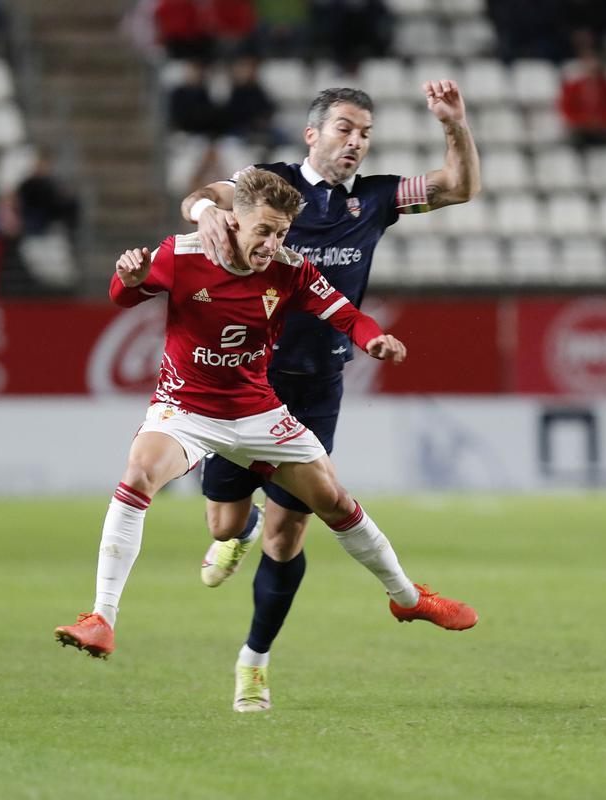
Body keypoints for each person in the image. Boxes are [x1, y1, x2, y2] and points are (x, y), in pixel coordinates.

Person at [54, 169, 477, 712]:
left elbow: (346, 314)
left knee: (334, 501)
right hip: (187, 409)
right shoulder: (182, 254)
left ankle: (407, 598)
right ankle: (102, 618)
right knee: (140, 474)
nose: (272, 244)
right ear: (234, 220)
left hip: (257, 411)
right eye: (264, 231)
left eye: (281, 232)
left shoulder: (290, 269)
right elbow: (123, 297)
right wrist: (129, 277)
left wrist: (375, 340)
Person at [177, 82, 480, 688]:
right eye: (344, 128)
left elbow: (459, 187)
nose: (355, 142)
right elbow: (202, 196)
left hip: (317, 385)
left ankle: (254, 661)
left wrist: (453, 124)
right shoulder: (270, 184)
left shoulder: (376, 198)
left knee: (289, 535)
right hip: (247, 382)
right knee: (222, 525)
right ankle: (241, 529)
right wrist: (206, 212)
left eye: (365, 133)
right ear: (312, 134)